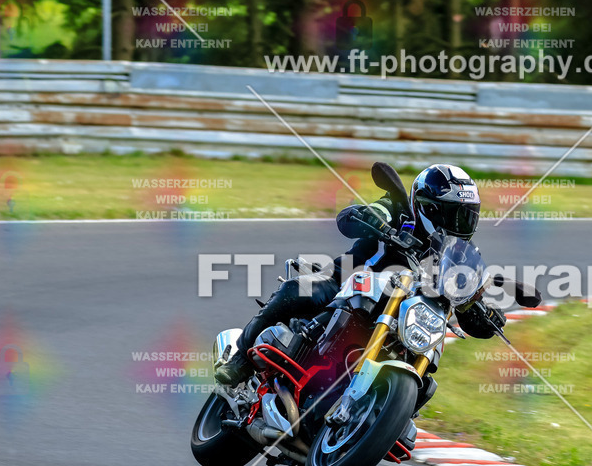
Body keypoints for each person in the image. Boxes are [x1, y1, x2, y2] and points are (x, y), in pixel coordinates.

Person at [214, 163, 506, 386]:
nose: (460, 223)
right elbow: (348, 219)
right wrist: (371, 218)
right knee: (297, 291)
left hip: (403, 316)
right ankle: (241, 357)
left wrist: (481, 312)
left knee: (428, 377)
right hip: (346, 283)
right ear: (428, 208)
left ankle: (386, 413)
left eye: (467, 215)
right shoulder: (399, 211)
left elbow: (468, 303)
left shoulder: (459, 260)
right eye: (453, 214)